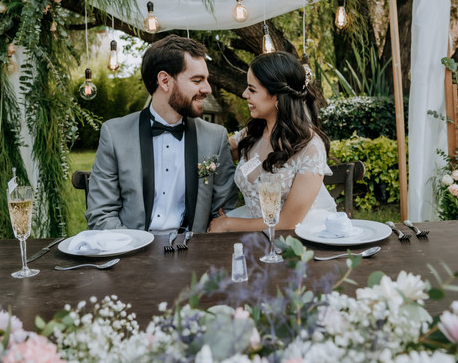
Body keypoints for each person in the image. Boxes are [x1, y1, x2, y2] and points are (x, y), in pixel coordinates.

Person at [85, 35, 238, 234]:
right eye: (197, 80)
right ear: (165, 81)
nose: (207, 89)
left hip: (194, 253)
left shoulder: (215, 137)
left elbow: (225, 212)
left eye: (206, 80)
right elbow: (100, 215)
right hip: (133, 251)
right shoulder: (115, 135)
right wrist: (136, 250)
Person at [208, 51, 335, 233]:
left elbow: (288, 223)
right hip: (253, 230)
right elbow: (215, 156)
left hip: (294, 237)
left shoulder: (311, 148)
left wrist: (229, 224)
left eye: (252, 89)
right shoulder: (251, 134)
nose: (244, 94)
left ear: (276, 96)